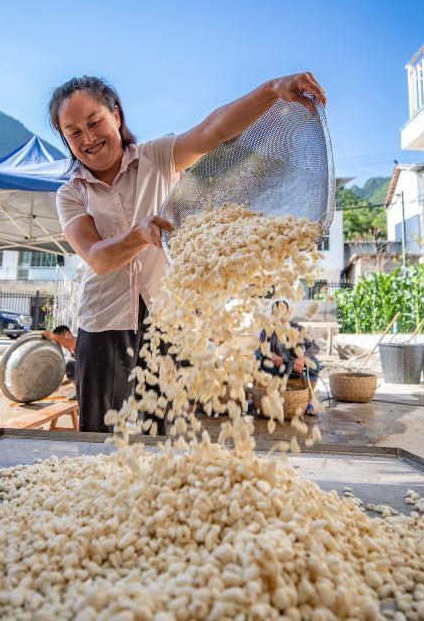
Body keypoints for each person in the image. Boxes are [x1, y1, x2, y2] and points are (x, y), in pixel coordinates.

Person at [52, 73, 326, 433]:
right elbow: (97, 257)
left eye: (94, 122)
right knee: (102, 436)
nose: (88, 138)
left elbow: (213, 130)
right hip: (103, 326)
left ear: (116, 116)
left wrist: (270, 91)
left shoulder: (157, 157)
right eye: (74, 132)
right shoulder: (71, 194)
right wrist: (138, 235)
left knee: (165, 432)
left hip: (169, 321)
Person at [256, 300, 321, 415]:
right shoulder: (267, 330)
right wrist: (271, 355)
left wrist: (302, 358)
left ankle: (309, 401)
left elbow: (315, 347)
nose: (281, 315)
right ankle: (258, 398)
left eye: (284, 311)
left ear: (288, 313)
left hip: (295, 368)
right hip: (275, 368)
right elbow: (260, 348)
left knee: (314, 363)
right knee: (256, 358)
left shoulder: (297, 328)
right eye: (277, 313)